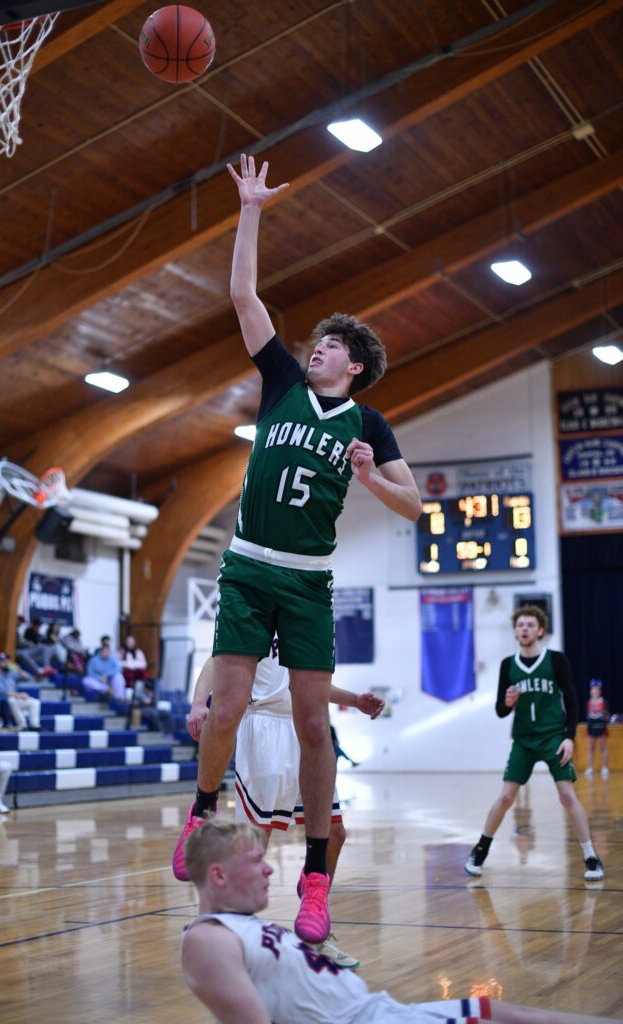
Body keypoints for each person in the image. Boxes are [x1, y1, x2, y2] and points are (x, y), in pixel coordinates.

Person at [173, 155, 422, 945]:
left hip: (309, 581)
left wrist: (369, 481)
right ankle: (200, 811)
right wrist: (250, 209)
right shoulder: (280, 380)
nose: (313, 348)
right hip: (248, 565)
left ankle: (314, 876)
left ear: (353, 365)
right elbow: (244, 295)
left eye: (327, 347)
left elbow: (415, 507)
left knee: (316, 726)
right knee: (228, 705)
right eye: (312, 343)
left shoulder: (368, 425)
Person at [181, 819, 620, 1024]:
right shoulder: (208, 940)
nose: (270, 870)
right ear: (217, 875)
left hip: (384, 1010)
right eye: (258, 861)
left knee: (512, 1013)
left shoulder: (241, 924)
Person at [188, 646, 384, 968]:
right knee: (252, 843)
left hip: (308, 729)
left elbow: (308, 684)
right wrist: (198, 703)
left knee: (335, 833)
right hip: (264, 728)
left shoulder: (309, 612)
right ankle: (224, 929)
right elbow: (217, 659)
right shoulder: (258, 606)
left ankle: (315, 933)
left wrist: (354, 701)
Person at [465, 605, 604, 882]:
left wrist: (568, 737)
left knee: (567, 795)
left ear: (540, 630)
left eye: (530, 625)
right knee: (506, 797)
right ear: (516, 631)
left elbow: (573, 699)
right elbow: (500, 710)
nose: (524, 629)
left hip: (553, 736)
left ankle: (591, 857)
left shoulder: (556, 660)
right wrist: (507, 703)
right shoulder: (508, 665)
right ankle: (480, 851)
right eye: (520, 625)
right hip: (524, 741)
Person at [0, 654, 41, 730]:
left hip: (16, 698)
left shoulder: (11, 673)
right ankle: (22, 725)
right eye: (3, 661)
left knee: (35, 702)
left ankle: (34, 725)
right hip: (5, 701)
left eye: (7, 661)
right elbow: (2, 692)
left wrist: (19, 670)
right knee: (12, 701)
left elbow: (28, 678)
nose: (6, 663)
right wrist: (19, 695)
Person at [584, 679, 610, 778]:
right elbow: (588, 715)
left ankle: (604, 768)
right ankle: (590, 768)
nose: (594, 691)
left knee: (603, 748)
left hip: (601, 727)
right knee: (590, 748)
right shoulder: (588, 702)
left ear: (599, 691)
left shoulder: (604, 702)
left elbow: (607, 716)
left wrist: (604, 717)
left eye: (596, 689)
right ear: (591, 691)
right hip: (591, 728)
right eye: (593, 689)